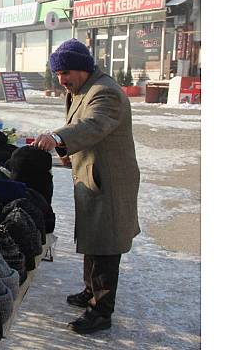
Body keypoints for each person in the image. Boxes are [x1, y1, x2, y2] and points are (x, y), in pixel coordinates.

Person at [33, 38, 140, 334]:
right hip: (91, 175)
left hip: (110, 181)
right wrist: (66, 154)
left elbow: (93, 125)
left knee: (106, 244)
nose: (61, 80)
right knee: (93, 236)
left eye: (65, 73)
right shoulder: (81, 89)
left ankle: (100, 312)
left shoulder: (105, 92)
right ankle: (89, 290)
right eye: (58, 74)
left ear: (82, 68)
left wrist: (58, 137)